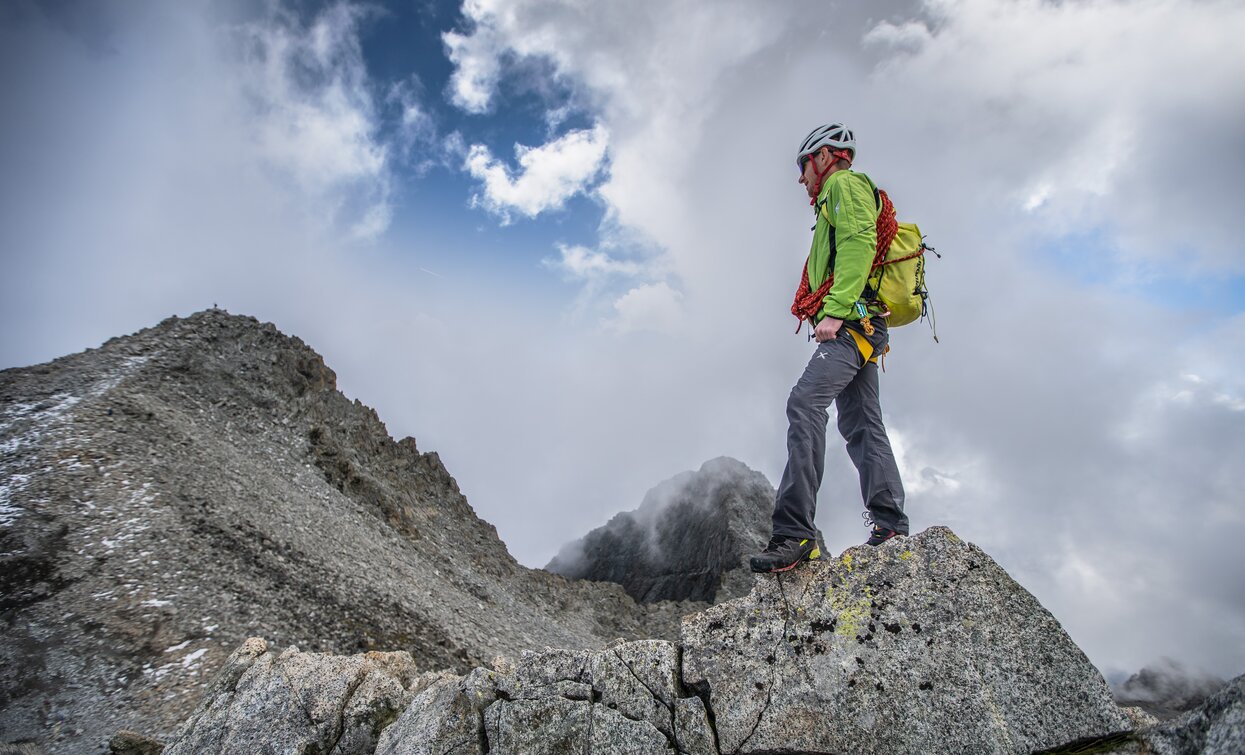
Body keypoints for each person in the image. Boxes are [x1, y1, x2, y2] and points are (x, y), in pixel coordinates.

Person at [750, 122, 910, 574]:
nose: (801, 178)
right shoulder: (835, 196)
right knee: (861, 423)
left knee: (804, 404)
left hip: (852, 321)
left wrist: (836, 310)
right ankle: (890, 524)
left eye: (803, 166)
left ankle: (795, 534)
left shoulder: (844, 183)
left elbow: (860, 243)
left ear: (823, 156)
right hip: (865, 323)